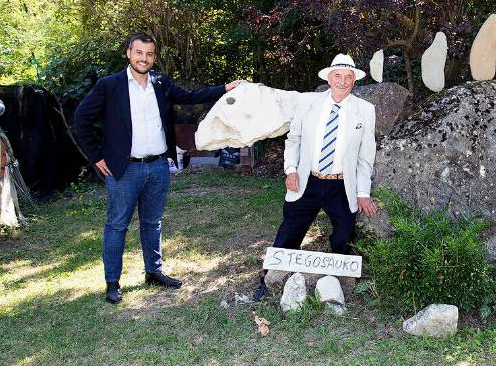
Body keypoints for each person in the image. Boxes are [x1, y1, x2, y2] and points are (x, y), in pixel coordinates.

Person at [73, 32, 242, 304]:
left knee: (153, 223)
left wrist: (225, 88)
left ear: (154, 57)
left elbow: (190, 96)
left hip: (158, 168)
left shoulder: (160, 82)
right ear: (128, 53)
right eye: (139, 53)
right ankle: (112, 283)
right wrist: (96, 157)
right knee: (117, 225)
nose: (144, 58)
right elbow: (81, 119)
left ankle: (153, 272)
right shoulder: (110, 85)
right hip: (124, 169)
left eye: (149, 54)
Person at [253, 53, 379, 301]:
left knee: (344, 235)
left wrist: (363, 193)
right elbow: (294, 139)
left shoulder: (365, 111)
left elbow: (366, 157)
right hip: (307, 181)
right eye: (337, 76)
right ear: (329, 78)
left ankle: (337, 284)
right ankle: (268, 280)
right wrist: (291, 170)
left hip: (342, 185)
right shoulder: (307, 104)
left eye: (348, 77)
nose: (342, 81)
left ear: (354, 81)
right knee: (289, 232)